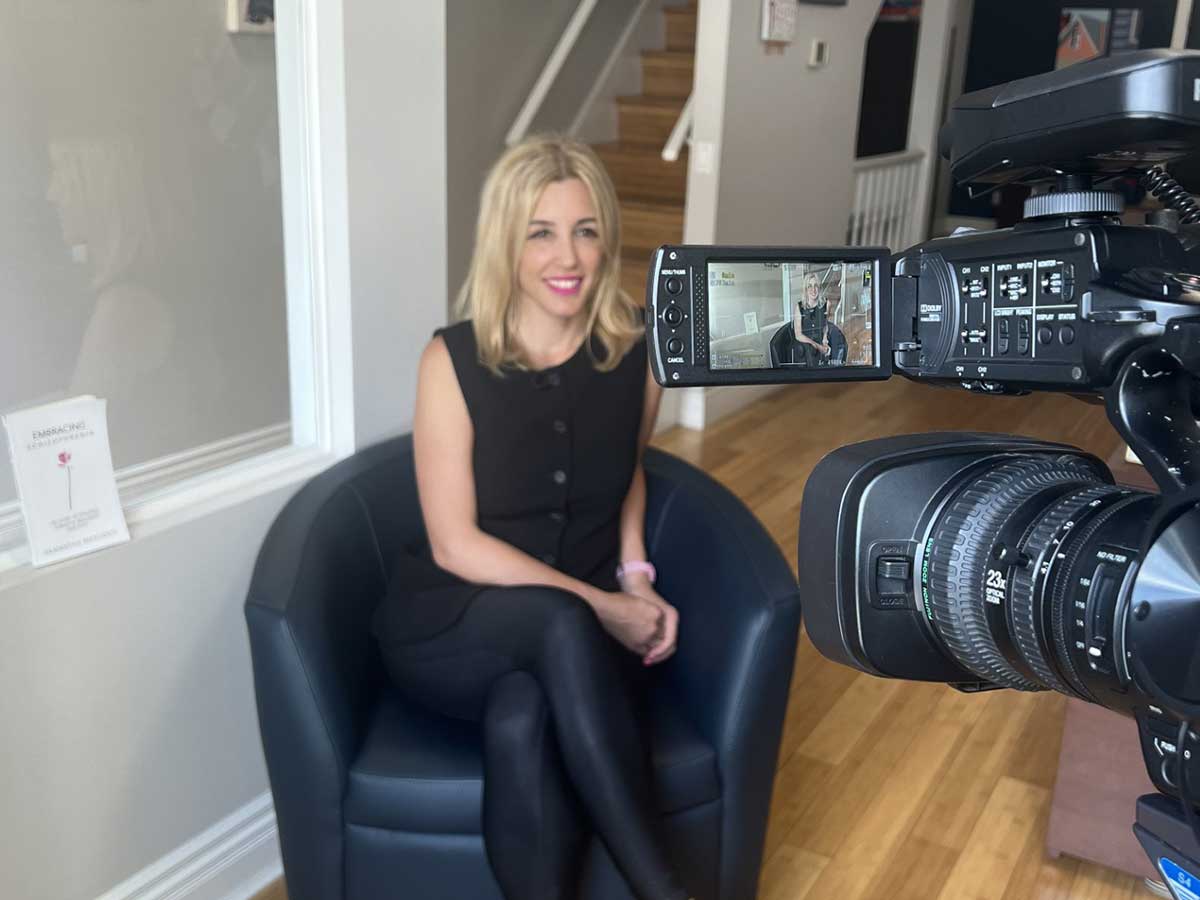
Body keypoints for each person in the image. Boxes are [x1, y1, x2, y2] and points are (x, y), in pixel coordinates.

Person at [370, 135, 694, 900]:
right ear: (504, 244)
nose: (568, 257)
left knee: (522, 718)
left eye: (585, 230)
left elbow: (627, 477)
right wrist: (608, 607)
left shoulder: (638, 351)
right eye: (540, 233)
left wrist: (637, 575)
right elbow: (454, 544)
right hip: (454, 622)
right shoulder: (451, 360)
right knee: (557, 625)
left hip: (576, 633)